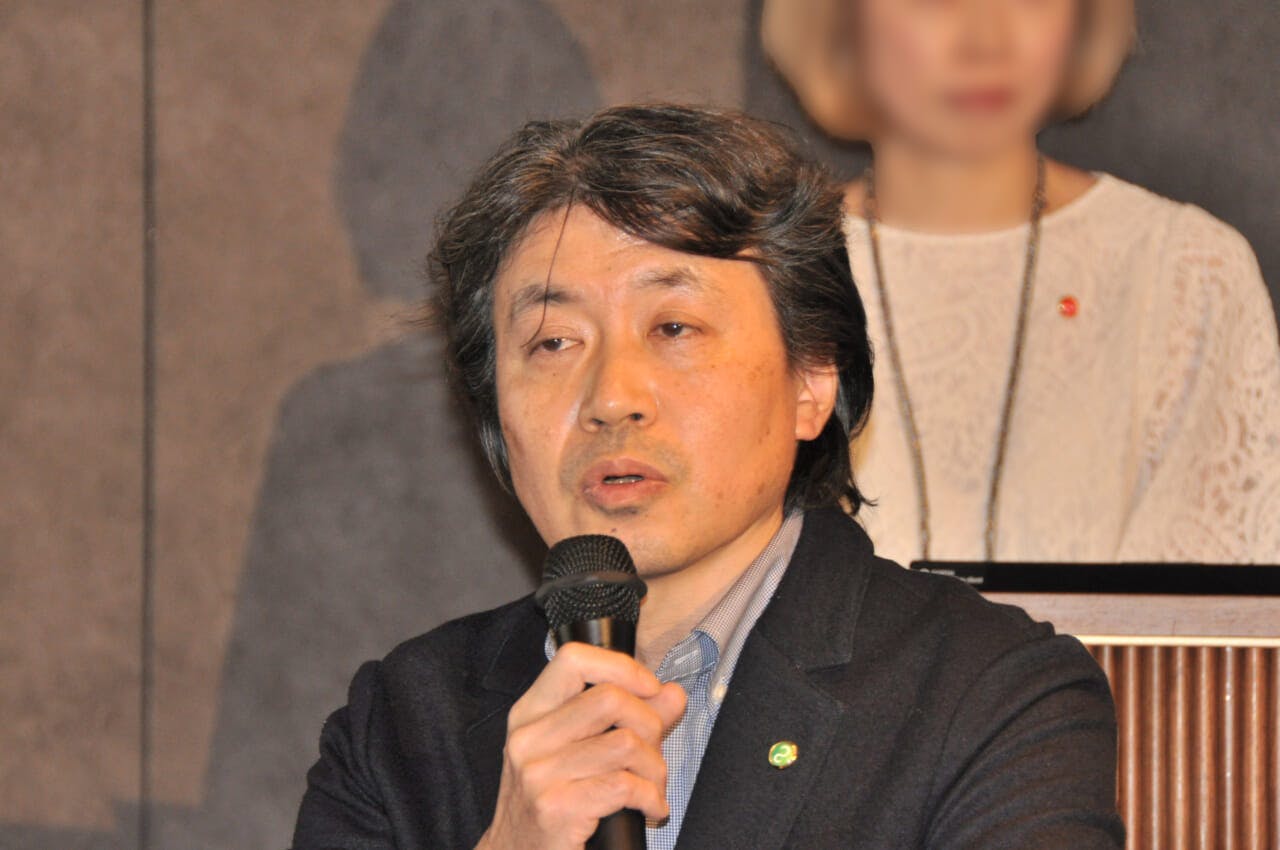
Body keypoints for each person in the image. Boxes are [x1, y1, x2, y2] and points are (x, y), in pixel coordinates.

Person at [291, 104, 1123, 849]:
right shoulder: (401, 727)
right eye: (553, 342)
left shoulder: (987, 695)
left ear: (811, 381)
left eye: (675, 328)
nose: (611, 398)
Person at [764, 0, 1280, 565]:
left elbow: (1209, 603)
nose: (986, 42)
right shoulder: (764, 269)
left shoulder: (1189, 272)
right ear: (840, 17)